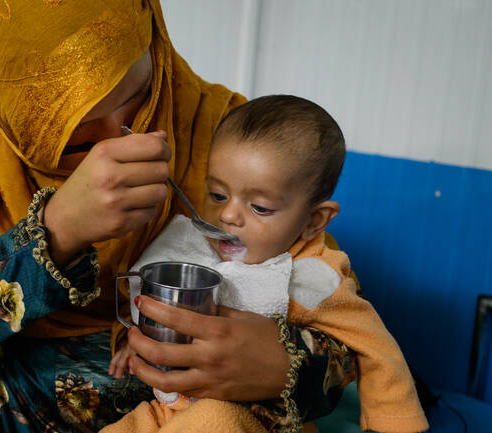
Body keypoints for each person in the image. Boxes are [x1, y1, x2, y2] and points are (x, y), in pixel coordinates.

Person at [0, 1, 359, 432]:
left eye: (141, 101)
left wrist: (283, 363)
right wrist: (56, 230)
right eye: (79, 141)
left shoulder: (226, 134)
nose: (123, 148)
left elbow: (343, 325)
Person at [104, 95, 428, 433]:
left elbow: (375, 345)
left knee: (213, 423)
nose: (228, 215)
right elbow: (147, 301)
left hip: (253, 422)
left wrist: (394, 421)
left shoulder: (314, 275)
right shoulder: (191, 246)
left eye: (259, 207)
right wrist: (131, 340)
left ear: (314, 220)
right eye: (217, 195)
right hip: (166, 409)